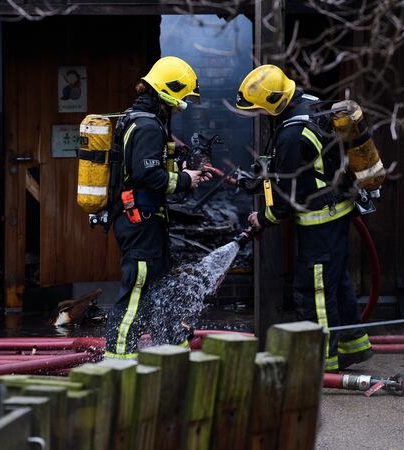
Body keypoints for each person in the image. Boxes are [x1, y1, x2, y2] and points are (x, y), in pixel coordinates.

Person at [236, 65, 373, 372]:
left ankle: (320, 361)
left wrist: (262, 219)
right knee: (335, 283)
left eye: (260, 108)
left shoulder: (292, 134)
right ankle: (354, 346)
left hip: (320, 224)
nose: (259, 114)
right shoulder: (310, 105)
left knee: (315, 291)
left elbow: (287, 198)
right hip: (337, 213)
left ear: (272, 102)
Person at [104, 56, 211, 359]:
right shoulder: (148, 126)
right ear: (168, 91)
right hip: (140, 223)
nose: (181, 106)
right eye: (182, 99)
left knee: (161, 292)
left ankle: (169, 354)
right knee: (137, 293)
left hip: (146, 222)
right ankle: (118, 360)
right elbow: (147, 174)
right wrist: (185, 180)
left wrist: (185, 170)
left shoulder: (139, 119)